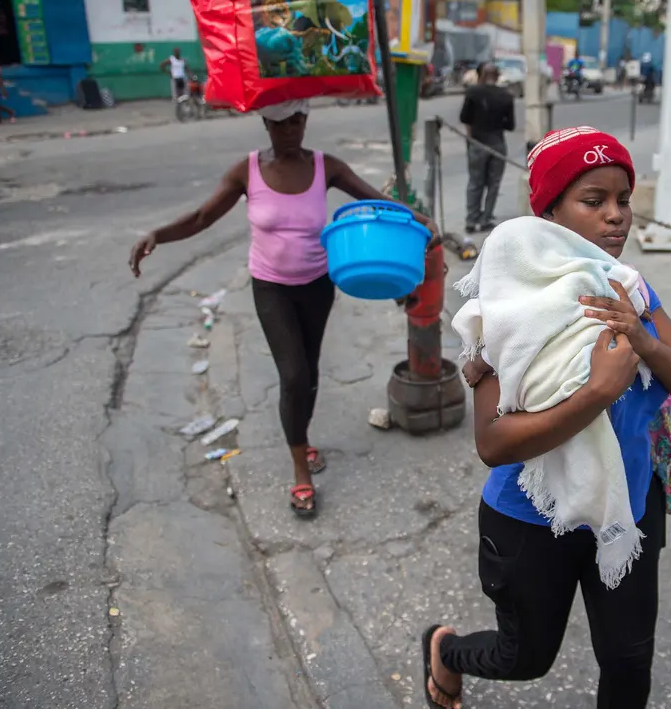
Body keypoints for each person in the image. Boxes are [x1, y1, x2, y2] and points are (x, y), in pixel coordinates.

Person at [421, 127, 671, 709]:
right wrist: (597, 393)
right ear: (550, 212)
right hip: (530, 519)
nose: (616, 217)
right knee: (524, 657)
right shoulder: (506, 305)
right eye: (594, 200)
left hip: (626, 508)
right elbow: (494, 443)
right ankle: (445, 651)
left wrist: (644, 342)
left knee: (628, 664)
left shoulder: (631, 289)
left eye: (623, 200)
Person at [128, 100, 439, 517]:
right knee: (292, 373)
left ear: (306, 121)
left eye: (297, 121)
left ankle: (302, 439)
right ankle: (300, 468)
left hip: (317, 284)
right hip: (271, 287)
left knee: (308, 374)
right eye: (281, 123)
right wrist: (156, 235)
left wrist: (421, 220)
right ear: (265, 124)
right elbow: (203, 216)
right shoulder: (248, 170)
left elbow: (374, 199)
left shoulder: (326, 166)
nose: (290, 130)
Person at [459, 63, 516, 233]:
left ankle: (471, 219)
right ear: (498, 76)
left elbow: (464, 118)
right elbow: (511, 125)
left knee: (475, 182)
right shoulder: (506, 95)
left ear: (479, 75)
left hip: (477, 143)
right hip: (497, 144)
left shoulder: (473, 92)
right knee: (494, 183)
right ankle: (485, 219)